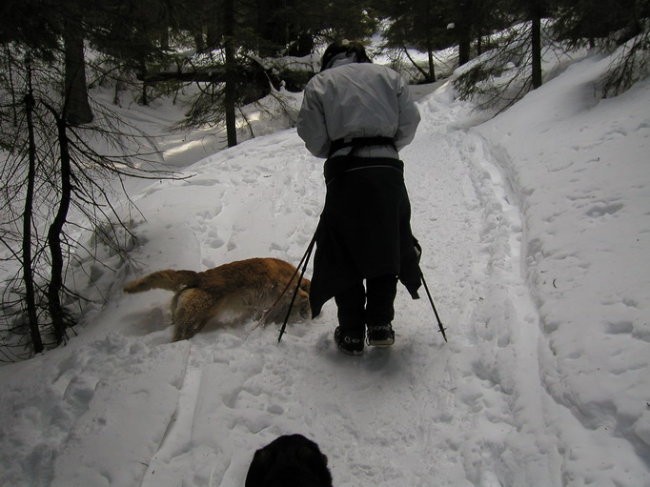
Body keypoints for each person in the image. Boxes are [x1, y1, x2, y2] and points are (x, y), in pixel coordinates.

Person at [296, 40, 422, 355]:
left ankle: (351, 331)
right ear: (361, 56)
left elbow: (312, 136)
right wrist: (386, 146)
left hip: (344, 171)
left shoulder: (320, 83)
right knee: (387, 240)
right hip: (386, 169)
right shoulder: (388, 76)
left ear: (329, 60)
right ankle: (380, 324)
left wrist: (336, 149)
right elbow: (410, 122)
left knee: (342, 246)